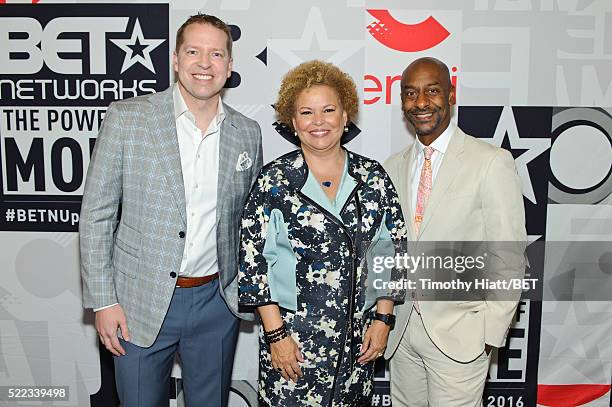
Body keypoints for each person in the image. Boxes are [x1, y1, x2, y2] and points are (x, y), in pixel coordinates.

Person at [79, 13, 263, 407]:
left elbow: (249, 221)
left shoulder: (247, 132)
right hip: (137, 303)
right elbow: (96, 214)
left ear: (229, 67)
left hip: (217, 302)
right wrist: (104, 300)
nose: (204, 63)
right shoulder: (128, 119)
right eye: (193, 51)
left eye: (216, 54)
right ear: (176, 59)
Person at [238, 60, 407, 406]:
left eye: (329, 110)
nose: (319, 122)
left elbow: (391, 252)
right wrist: (277, 336)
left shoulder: (372, 178)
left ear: (346, 117)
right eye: (307, 112)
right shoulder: (274, 182)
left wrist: (383, 319)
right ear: (293, 122)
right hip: (292, 349)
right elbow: (254, 267)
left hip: (358, 347)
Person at [383, 57, 527, 406]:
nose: (421, 103)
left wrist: (488, 331)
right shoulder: (391, 167)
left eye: (432, 91)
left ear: (451, 94)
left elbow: (507, 253)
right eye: (410, 93)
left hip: (461, 335)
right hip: (401, 334)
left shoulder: (490, 161)